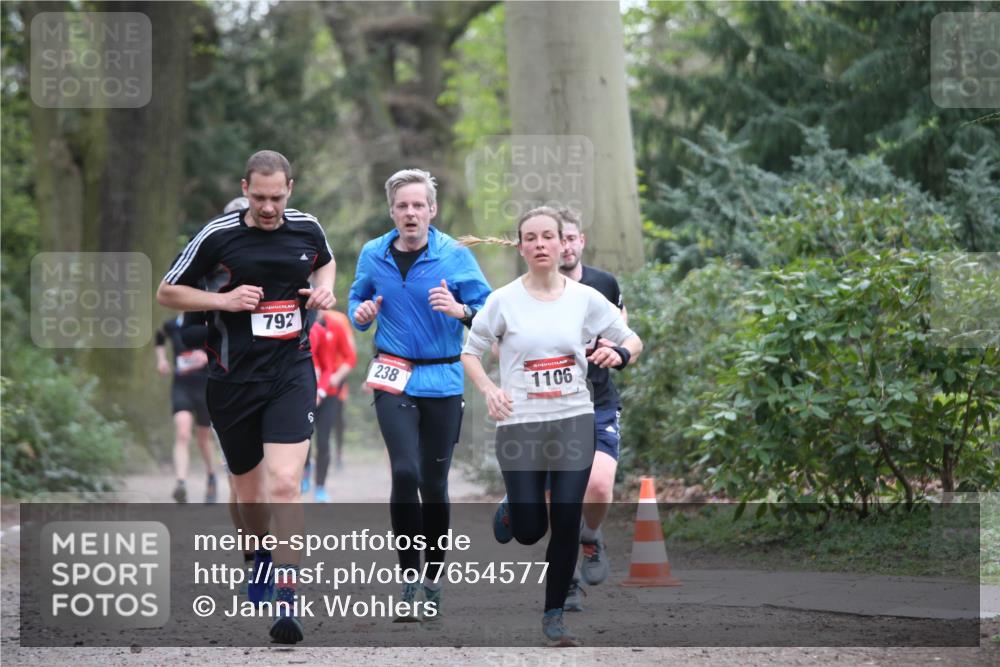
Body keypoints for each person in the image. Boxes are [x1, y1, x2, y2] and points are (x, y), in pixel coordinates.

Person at [157, 151, 335, 644]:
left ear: (290, 189)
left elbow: (326, 262)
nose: (269, 207)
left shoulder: (307, 228)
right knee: (250, 495)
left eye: (277, 197)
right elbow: (167, 293)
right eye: (259, 197)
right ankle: (255, 555)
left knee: (284, 484)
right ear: (245, 188)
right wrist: (222, 300)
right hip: (232, 380)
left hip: (291, 373)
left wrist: (325, 291)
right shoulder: (218, 235)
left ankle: (287, 598)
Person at [461, 207, 642, 646]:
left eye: (548, 236)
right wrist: (488, 389)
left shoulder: (585, 298)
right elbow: (471, 351)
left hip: (573, 421)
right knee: (529, 530)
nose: (540, 244)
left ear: (564, 244)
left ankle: (555, 615)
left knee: (565, 520)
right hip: (521, 426)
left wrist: (619, 355)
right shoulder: (503, 300)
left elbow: (631, 339)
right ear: (521, 246)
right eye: (531, 237)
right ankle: (512, 509)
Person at [348, 168, 491, 621]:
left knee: (433, 484)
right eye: (402, 206)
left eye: (418, 205)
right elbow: (355, 302)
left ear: (432, 210)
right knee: (405, 472)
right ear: (391, 211)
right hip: (393, 376)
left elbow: (489, 312)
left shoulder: (455, 256)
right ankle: (409, 580)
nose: (410, 213)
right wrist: (363, 313)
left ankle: (433, 579)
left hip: (444, 380)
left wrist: (461, 309)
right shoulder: (374, 253)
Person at [556, 207, 629, 610]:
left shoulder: (604, 283)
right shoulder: (533, 289)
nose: (565, 246)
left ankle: (591, 536)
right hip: (550, 408)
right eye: (557, 238)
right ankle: (565, 580)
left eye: (571, 238)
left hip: (597, 401)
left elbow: (626, 332)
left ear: (581, 240)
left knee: (599, 486)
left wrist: (616, 351)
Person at [155, 312, 217, 504]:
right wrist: (161, 360)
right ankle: (181, 483)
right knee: (182, 432)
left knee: (203, 439)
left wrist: (208, 356)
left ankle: (211, 475)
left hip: (205, 386)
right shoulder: (172, 324)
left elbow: (225, 343)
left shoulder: (208, 321)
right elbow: (159, 337)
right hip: (182, 386)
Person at [308, 308, 356, 501]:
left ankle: (320, 486)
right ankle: (303, 470)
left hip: (330, 391)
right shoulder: (298, 324)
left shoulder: (336, 324)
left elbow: (349, 357)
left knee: (323, 440)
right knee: (301, 439)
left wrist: (333, 380)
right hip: (302, 393)